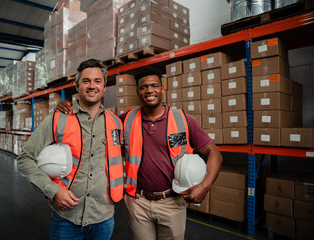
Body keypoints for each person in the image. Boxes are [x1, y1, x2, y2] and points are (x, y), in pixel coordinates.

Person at [55, 66, 223, 240]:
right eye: (143, 87)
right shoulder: (124, 120)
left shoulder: (183, 120)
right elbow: (93, 123)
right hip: (138, 203)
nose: (149, 90)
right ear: (137, 91)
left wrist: (204, 186)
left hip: (172, 202)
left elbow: (214, 153)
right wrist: (66, 109)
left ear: (162, 88)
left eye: (154, 85)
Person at [17, 59, 124, 240]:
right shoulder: (58, 119)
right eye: (86, 81)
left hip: (104, 217)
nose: (92, 86)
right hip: (67, 219)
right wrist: (53, 190)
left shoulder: (115, 123)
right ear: (76, 85)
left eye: (97, 81)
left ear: (104, 87)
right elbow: (25, 159)